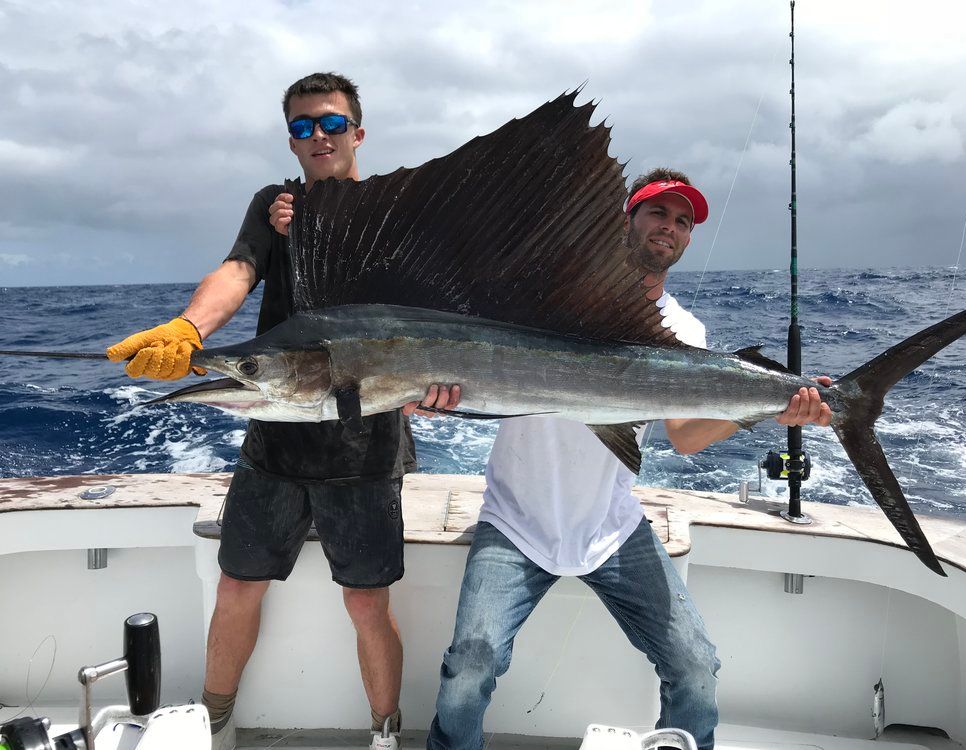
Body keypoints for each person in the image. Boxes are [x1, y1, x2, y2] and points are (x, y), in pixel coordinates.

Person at [106, 72, 457, 750]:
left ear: (358, 132)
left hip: (367, 446)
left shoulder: (391, 222)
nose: (318, 135)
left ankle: (386, 732)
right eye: (302, 126)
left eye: (331, 123)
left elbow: (428, 319)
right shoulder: (274, 206)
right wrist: (189, 329)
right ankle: (212, 718)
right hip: (276, 438)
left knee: (365, 602)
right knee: (238, 587)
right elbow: (237, 271)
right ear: (290, 140)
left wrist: (438, 383)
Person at [425, 168, 833, 750]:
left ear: (688, 238)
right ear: (627, 220)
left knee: (696, 668)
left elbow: (687, 436)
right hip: (514, 521)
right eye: (656, 213)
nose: (669, 227)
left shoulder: (684, 329)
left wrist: (776, 409)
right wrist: (438, 398)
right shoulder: (553, 300)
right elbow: (477, 374)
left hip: (611, 526)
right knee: (470, 665)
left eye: (682, 220)